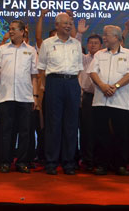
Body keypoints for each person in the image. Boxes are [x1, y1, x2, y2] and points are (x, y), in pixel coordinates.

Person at [38, 12, 83, 175]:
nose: (68, 25)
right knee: (53, 124)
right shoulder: (47, 43)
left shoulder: (76, 44)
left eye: (70, 23)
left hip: (71, 83)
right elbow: (41, 68)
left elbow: (79, 69)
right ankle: (51, 162)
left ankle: (69, 162)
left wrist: (72, 84)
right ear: (56, 25)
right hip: (53, 83)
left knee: (71, 125)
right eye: (65, 23)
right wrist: (47, 86)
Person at [89, 25, 129, 176]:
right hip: (100, 99)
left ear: (116, 37)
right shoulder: (99, 54)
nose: (103, 38)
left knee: (121, 134)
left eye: (106, 35)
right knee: (101, 134)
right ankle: (102, 164)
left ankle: (120, 165)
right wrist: (103, 86)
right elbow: (92, 72)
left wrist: (115, 86)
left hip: (120, 100)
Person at [0, 20, 39, 173]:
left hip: (25, 96)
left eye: (13, 29)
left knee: (25, 131)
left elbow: (34, 76)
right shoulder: (2, 49)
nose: (10, 31)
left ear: (22, 32)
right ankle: (5, 162)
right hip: (6, 95)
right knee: (6, 130)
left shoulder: (31, 50)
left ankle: (22, 162)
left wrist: (35, 96)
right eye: (10, 29)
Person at [79, 34, 102, 170]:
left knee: (100, 129)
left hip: (102, 96)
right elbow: (76, 46)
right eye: (91, 43)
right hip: (87, 97)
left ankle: (99, 159)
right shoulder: (83, 59)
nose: (93, 45)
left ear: (101, 46)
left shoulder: (103, 58)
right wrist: (80, 33)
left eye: (96, 43)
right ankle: (87, 159)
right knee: (86, 129)